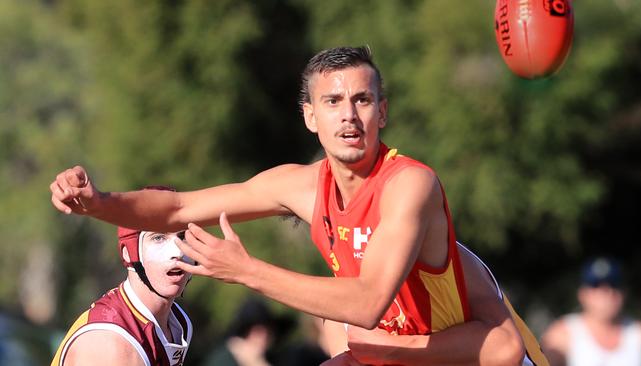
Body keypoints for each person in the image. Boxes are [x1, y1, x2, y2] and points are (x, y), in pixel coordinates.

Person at [50, 46, 547, 365]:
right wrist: (95, 201)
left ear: (383, 113)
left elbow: (369, 304)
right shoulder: (302, 187)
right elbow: (176, 207)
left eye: (362, 100)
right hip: (417, 352)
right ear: (310, 117)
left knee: (349, 332)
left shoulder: (410, 185)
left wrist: (247, 271)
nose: (348, 115)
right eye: (332, 102)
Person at [51, 187, 194, 366]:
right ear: (128, 253)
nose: (177, 252)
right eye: (158, 238)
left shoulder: (178, 323)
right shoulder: (110, 344)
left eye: (183, 236)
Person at [541, 257, 641, 366]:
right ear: (582, 294)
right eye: (596, 285)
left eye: (613, 284)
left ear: (624, 292)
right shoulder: (562, 335)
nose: (607, 292)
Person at [201, 296, 294, 366]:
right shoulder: (224, 359)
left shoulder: (271, 358)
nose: (264, 338)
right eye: (258, 332)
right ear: (246, 332)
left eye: (269, 332)